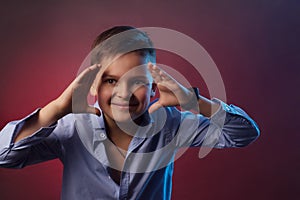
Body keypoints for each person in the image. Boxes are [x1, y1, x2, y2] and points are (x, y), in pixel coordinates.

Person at [0, 26, 260, 200]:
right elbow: (4, 156)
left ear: (154, 88)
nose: (124, 93)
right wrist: (55, 110)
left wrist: (191, 100)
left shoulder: (170, 125)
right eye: (111, 81)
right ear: (93, 84)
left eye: (136, 82)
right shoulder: (72, 127)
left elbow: (243, 134)